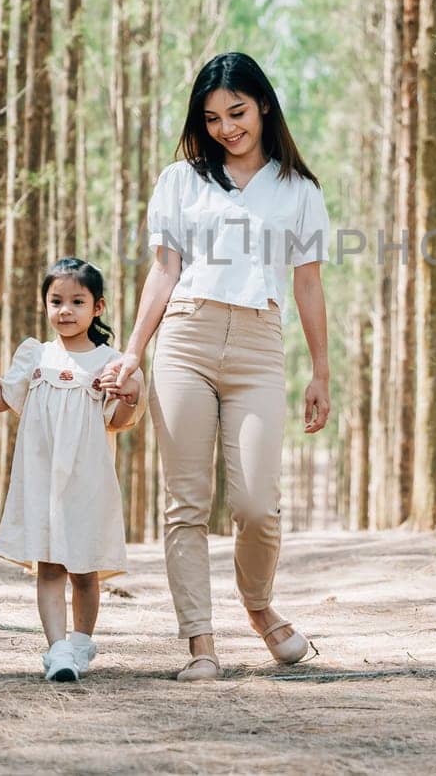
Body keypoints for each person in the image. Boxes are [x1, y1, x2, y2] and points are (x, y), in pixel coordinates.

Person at [100, 51, 331, 683]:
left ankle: (259, 608)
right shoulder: (181, 180)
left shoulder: (299, 190)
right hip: (186, 338)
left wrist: (320, 370)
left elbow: (308, 286)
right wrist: (133, 352)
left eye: (237, 112)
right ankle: (201, 643)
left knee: (257, 503)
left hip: (259, 344)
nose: (227, 128)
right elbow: (164, 273)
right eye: (212, 117)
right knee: (187, 503)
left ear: (263, 106)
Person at [0, 258, 141, 682]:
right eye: (56, 300)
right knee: (48, 566)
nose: (65, 310)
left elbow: (116, 421)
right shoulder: (36, 355)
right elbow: (0, 400)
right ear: (45, 304)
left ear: (97, 308)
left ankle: (80, 643)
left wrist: (130, 392)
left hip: (87, 481)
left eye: (77, 301)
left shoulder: (111, 361)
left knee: (84, 569)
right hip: (42, 479)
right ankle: (58, 649)